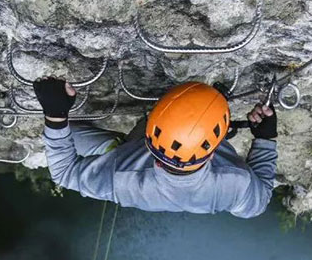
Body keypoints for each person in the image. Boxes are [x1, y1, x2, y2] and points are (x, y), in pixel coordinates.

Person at [33, 78, 278, 218]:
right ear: (213, 151)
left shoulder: (122, 178)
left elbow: (64, 172)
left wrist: (56, 116)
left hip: (129, 157)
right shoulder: (235, 184)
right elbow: (258, 202)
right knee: (60, 133)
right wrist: (265, 139)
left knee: (63, 133)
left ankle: (119, 144)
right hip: (137, 164)